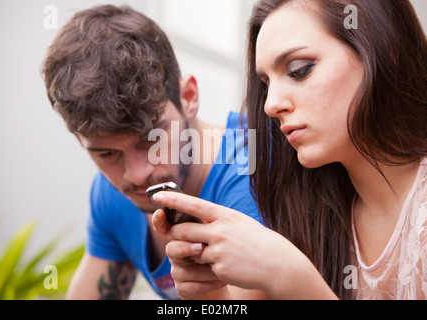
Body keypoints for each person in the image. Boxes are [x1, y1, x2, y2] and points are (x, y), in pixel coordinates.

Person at [152, 0, 427, 299]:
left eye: (299, 70)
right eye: (266, 83)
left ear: (386, 51)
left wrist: (292, 278)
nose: (270, 104)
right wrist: (212, 295)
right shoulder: (308, 215)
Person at [42, 4, 262, 300]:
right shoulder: (112, 195)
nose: (136, 174)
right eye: (106, 154)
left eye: (150, 140)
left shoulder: (252, 173)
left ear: (189, 98)